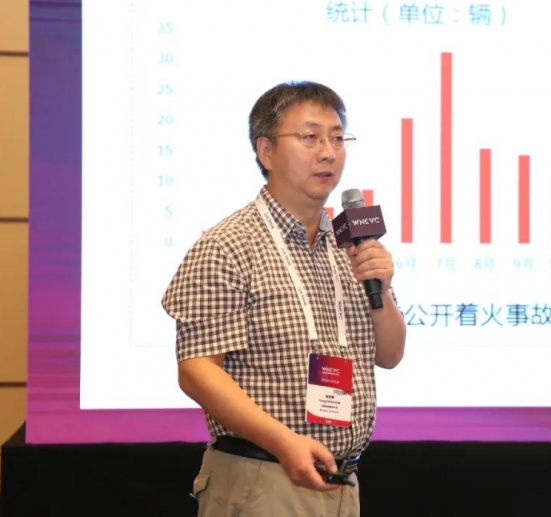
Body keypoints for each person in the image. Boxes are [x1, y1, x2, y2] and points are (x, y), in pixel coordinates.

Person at [161, 80, 407, 516]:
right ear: (266, 151)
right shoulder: (228, 245)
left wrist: (381, 289)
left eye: (337, 138)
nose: (328, 152)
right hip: (262, 478)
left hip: (342, 482)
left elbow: (389, 355)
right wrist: (284, 442)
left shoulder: (350, 246)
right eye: (310, 137)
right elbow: (197, 371)